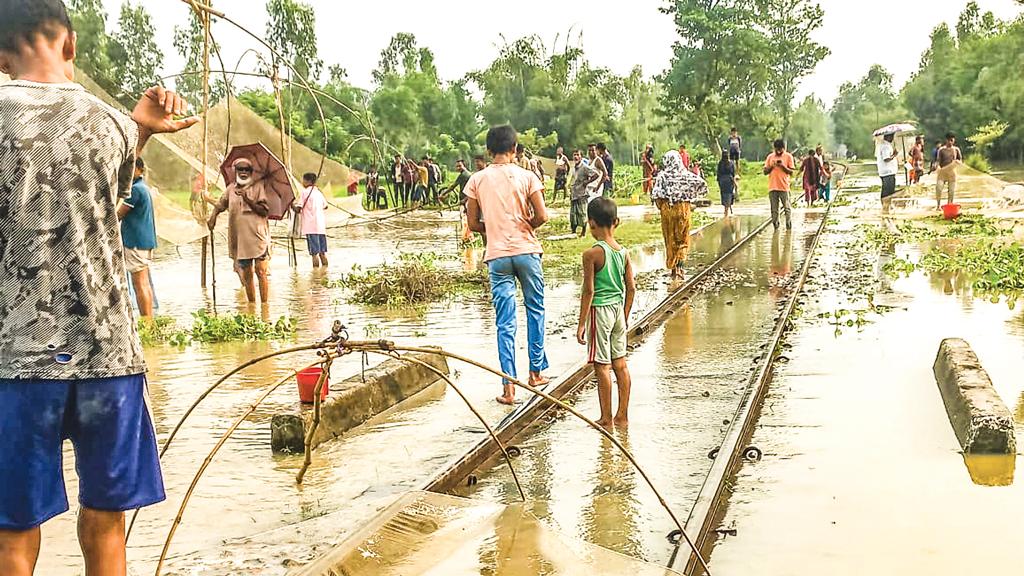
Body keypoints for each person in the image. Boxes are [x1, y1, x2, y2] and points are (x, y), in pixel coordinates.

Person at [0, 2, 200, 574]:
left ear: (0, 55)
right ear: (71, 44)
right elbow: (102, 197)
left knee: (12, 533)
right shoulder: (110, 124)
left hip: (15, 359)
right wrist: (138, 128)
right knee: (106, 523)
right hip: (106, 352)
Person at [465, 125, 550, 405]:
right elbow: (542, 216)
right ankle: (536, 373)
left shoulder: (477, 180)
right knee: (535, 310)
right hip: (527, 251)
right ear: (515, 149)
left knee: (505, 322)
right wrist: (527, 225)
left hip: (497, 256)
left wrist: (492, 229)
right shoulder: (527, 176)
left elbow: (473, 223)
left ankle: (509, 388)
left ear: (489, 151)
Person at [576, 197, 635, 428]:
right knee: (620, 364)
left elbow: (588, 291)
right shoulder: (623, 253)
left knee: (602, 366)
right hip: (618, 311)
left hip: (599, 312)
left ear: (591, 224)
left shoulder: (592, 254)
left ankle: (606, 418)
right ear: (616, 222)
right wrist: (625, 315)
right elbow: (631, 288)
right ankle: (623, 415)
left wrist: (581, 323)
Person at [208, 157, 271, 303]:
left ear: (251, 172)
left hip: (258, 237)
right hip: (240, 240)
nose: (243, 172)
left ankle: (265, 307)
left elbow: (264, 211)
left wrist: (248, 200)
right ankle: (252, 306)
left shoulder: (258, 187)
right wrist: (213, 218)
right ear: (235, 171)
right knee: (247, 274)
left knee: (261, 272)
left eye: (246, 170)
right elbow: (220, 205)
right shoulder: (231, 189)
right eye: (240, 169)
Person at [652, 150, 708, 277]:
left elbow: (656, 195)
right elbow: (702, 184)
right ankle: (680, 269)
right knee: (682, 239)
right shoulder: (685, 175)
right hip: (683, 209)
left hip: (667, 209)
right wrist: (691, 198)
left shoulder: (662, 176)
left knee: (670, 239)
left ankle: (673, 269)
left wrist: (662, 207)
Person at [118, 157, 158, 318]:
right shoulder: (143, 187)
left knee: (139, 283)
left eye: (133, 168)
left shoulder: (135, 190)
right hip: (144, 241)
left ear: (140, 170)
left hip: (135, 241)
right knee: (144, 282)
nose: (128, 172)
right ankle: (149, 321)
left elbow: (119, 214)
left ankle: (147, 321)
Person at [296, 173, 329, 268]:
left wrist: (292, 206)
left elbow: (298, 209)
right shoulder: (318, 192)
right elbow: (325, 206)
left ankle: (316, 276)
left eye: (303, 180)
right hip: (321, 227)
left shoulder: (305, 192)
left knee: (314, 253)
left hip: (311, 227)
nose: (302, 182)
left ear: (308, 181)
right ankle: (324, 273)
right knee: (322, 253)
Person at [763, 139, 795, 229]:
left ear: (783, 149)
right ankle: (775, 226)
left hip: (784, 187)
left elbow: (791, 172)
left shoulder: (788, 157)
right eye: (776, 149)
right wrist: (771, 166)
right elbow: (765, 171)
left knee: (787, 208)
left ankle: (788, 225)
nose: (778, 151)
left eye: (780, 150)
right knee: (774, 209)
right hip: (772, 187)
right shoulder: (770, 157)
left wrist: (783, 166)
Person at [571, 149, 603, 237]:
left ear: (581, 157)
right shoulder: (573, 168)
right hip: (574, 193)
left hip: (582, 194)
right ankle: (573, 231)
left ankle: (583, 232)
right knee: (573, 214)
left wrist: (587, 182)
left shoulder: (584, 167)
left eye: (577, 155)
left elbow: (596, 174)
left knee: (582, 213)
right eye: (574, 155)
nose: (576, 156)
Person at [935, 132, 963, 210]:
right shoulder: (941, 150)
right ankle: (938, 206)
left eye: (952, 140)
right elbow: (938, 161)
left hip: (952, 172)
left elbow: (960, 160)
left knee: (951, 191)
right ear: (946, 140)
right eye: (949, 140)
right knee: (939, 188)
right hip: (942, 172)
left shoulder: (956, 149)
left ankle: (949, 205)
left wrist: (958, 162)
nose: (950, 142)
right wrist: (936, 166)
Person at [876, 132, 899, 213]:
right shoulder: (885, 146)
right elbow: (886, 159)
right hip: (888, 172)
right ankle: (886, 206)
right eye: (892, 136)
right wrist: (894, 155)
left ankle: (886, 206)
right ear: (888, 137)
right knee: (888, 190)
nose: (893, 138)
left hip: (886, 171)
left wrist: (892, 154)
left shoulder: (883, 145)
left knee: (886, 189)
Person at [716, 149, 738, 217]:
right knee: (729, 194)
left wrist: (719, 181)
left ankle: (726, 210)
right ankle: (728, 209)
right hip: (729, 180)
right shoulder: (731, 163)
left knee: (724, 194)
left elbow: (718, 173)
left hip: (722, 181)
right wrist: (735, 182)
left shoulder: (720, 163)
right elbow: (733, 173)